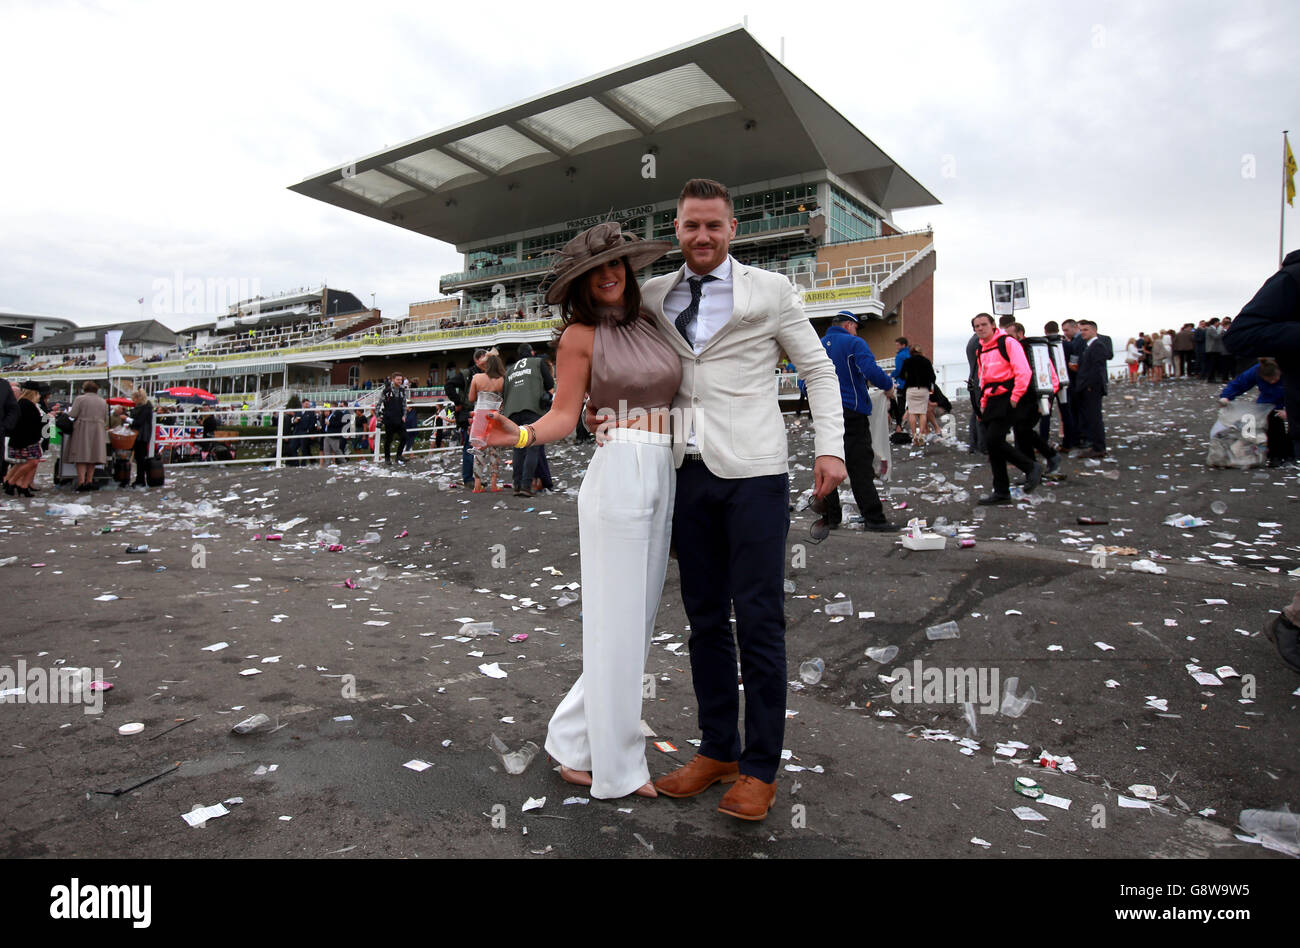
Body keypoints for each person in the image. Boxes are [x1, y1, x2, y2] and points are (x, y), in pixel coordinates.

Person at [591, 179, 846, 821]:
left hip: (754, 471)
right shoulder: (652, 295)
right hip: (686, 472)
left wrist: (830, 447)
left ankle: (761, 768)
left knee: (759, 618)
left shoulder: (772, 290)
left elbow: (816, 369)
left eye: (713, 226)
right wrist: (602, 412)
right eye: (689, 226)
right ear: (676, 231)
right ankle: (718, 752)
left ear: (733, 229)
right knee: (704, 620)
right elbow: (622, 364)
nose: (701, 237)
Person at [483, 221, 679, 799]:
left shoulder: (650, 321)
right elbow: (566, 415)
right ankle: (620, 770)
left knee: (634, 630)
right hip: (619, 473)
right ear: (582, 283)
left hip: (664, 471)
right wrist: (518, 437)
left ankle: (570, 740)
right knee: (616, 629)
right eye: (597, 270)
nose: (610, 274)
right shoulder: (578, 337)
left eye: (617, 263)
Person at [1222, 248, 1300, 671]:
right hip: (1276, 409)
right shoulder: (1293, 278)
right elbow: (1241, 338)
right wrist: (1228, 394)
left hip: (1281, 406)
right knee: (1265, 435)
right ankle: (1292, 622)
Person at [818, 311, 895, 531]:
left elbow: (805, 381)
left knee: (829, 462)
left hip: (824, 412)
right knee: (859, 465)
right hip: (850, 410)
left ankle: (831, 518)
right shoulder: (854, 342)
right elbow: (869, 369)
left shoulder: (818, 345)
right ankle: (874, 519)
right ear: (850, 325)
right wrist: (887, 386)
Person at [972, 313, 1041, 504]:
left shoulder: (1008, 342)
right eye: (976, 326)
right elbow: (983, 377)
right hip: (992, 399)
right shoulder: (981, 349)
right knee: (992, 445)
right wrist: (983, 403)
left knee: (994, 440)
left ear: (993, 325)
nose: (980, 328)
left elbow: (1023, 370)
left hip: (1008, 396)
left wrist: (1015, 397)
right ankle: (1001, 491)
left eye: (984, 324)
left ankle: (1030, 467)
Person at [501, 344, 553, 497]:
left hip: (513, 412)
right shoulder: (537, 362)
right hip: (532, 408)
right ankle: (526, 485)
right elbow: (550, 384)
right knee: (532, 446)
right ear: (532, 353)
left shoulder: (510, 369)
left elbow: (504, 393)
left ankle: (516, 484)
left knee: (518, 448)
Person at [1219, 358, 1292, 466]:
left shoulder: (1291, 371)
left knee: (1295, 426)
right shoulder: (1256, 371)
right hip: (1269, 401)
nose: (1272, 382)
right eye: (1269, 380)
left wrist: (1291, 412)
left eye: (1275, 379)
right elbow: (1239, 383)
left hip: (1291, 398)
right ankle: (1275, 455)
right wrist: (1226, 396)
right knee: (1272, 422)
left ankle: (1291, 453)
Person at [1071, 319, 1113, 458]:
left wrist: (1089, 386)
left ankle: (1099, 447)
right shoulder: (1089, 346)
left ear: (1094, 331)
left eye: (1086, 330)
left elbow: (1097, 369)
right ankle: (1096, 446)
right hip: (1087, 386)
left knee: (1095, 418)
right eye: (1081, 330)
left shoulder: (1097, 346)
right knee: (1091, 417)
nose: (1083, 332)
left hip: (1092, 388)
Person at [469, 354, 506, 492]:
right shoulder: (503, 379)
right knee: (495, 451)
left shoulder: (477, 378)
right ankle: (494, 484)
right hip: (495, 416)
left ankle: (477, 484)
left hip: (480, 416)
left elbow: (471, 397)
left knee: (478, 449)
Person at [2, 382, 46, 497]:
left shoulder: (22, 403)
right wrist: (48, 419)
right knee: (32, 462)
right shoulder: (28, 405)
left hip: (21, 439)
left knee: (23, 463)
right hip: (28, 440)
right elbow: (36, 424)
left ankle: (19, 485)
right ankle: (16, 483)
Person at [66, 380, 108, 491]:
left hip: (83, 428)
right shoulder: (102, 401)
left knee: (81, 455)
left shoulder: (80, 399)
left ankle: (81, 482)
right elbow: (105, 417)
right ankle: (89, 480)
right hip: (98, 429)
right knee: (93, 456)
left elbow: (73, 414)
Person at [897, 343, 935, 446]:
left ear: (911, 352)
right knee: (922, 413)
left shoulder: (907, 361)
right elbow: (933, 377)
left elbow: (901, 375)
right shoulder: (926, 361)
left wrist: (908, 379)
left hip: (911, 389)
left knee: (912, 412)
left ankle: (914, 435)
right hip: (923, 389)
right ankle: (921, 435)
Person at [379, 376, 408, 465]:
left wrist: (404, 415)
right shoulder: (386, 391)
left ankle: (398, 455)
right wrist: (377, 416)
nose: (400, 381)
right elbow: (379, 403)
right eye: (398, 379)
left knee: (404, 437)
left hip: (399, 418)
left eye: (401, 380)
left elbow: (404, 404)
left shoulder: (402, 391)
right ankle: (387, 458)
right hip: (389, 419)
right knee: (388, 439)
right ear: (393, 380)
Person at [129, 389, 154, 488]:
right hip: (143, 435)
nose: (133, 401)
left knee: (140, 459)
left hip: (141, 435)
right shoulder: (146, 407)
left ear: (139, 398)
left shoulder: (144, 408)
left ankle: (141, 480)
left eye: (134, 398)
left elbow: (138, 422)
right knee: (140, 458)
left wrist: (127, 419)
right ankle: (140, 479)